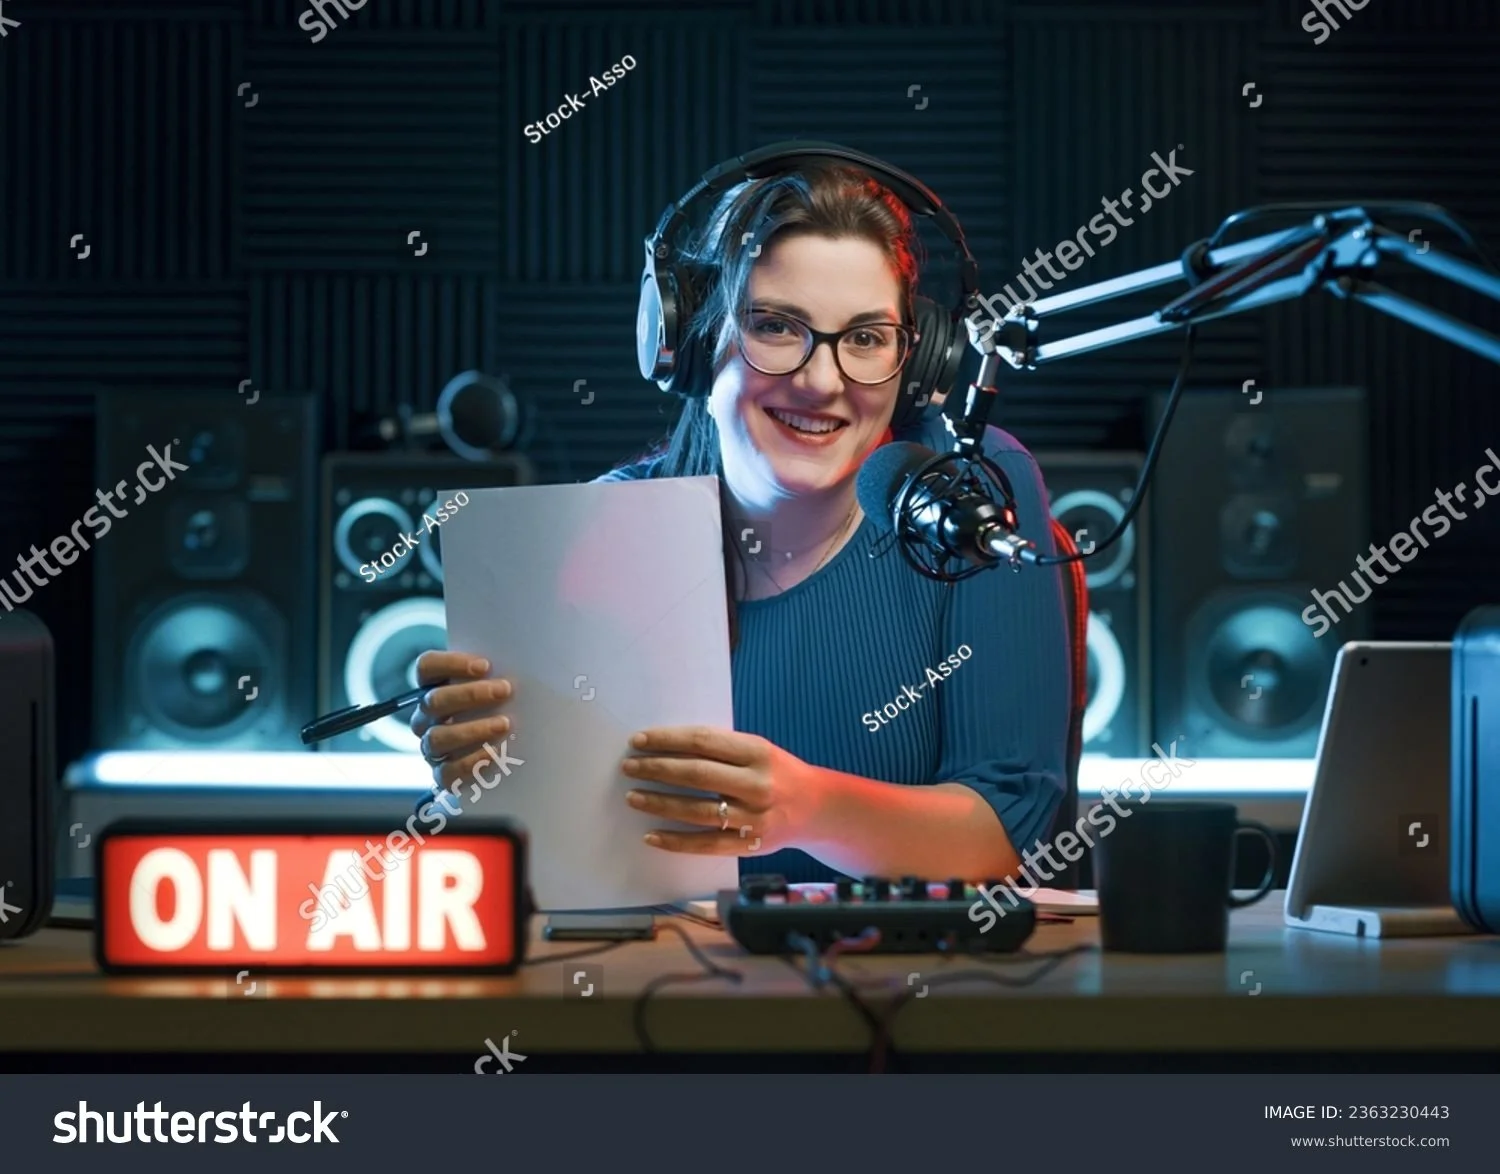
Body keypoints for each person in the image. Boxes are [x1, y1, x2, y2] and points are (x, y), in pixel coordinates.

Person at [410, 157, 1071, 884]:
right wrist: (480, 786)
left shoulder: (970, 492)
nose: (822, 382)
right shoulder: (600, 531)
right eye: (775, 327)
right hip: (664, 986)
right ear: (692, 341)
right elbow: (546, 865)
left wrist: (810, 809)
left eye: (866, 338)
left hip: (914, 986)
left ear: (917, 361)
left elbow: (1009, 825)